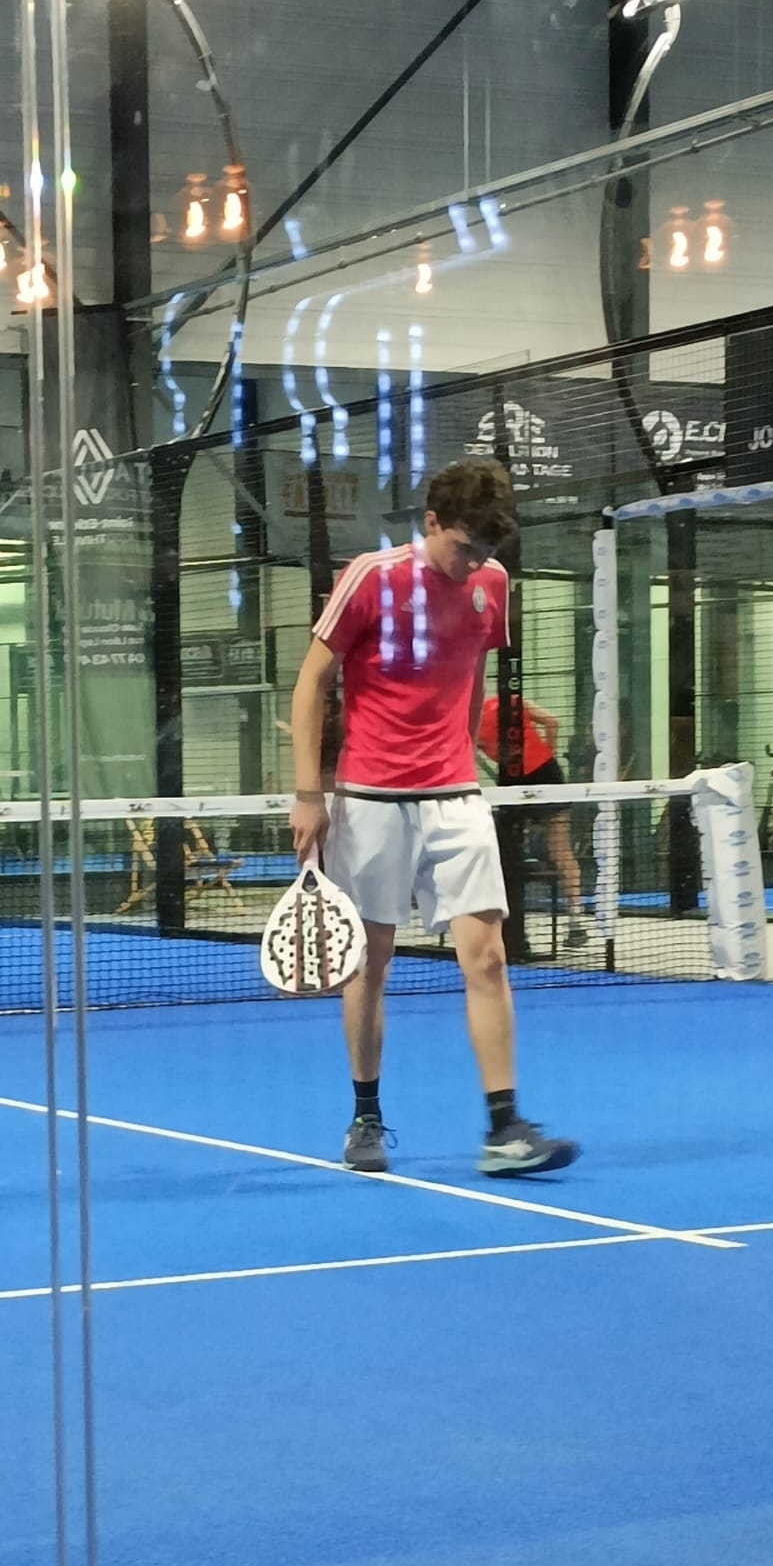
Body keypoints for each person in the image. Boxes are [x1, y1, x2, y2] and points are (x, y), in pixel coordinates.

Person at [289, 458, 579, 1180]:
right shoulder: (369, 577)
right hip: (369, 801)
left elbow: (471, 673)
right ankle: (365, 1117)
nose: (473, 563)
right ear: (429, 524)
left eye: (486, 551)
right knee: (370, 964)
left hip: (455, 797)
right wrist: (308, 793)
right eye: (463, 547)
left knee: (488, 957)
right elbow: (311, 682)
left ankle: (504, 1128)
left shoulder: (493, 584)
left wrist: (462, 755)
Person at [476, 693, 587, 948]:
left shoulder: (468, 722)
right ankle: (575, 923)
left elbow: (468, 754)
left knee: (508, 851)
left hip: (514, 782)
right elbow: (552, 722)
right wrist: (547, 754)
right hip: (547, 775)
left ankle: (509, 929)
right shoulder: (512, 701)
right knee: (560, 850)